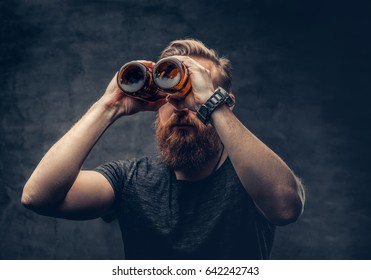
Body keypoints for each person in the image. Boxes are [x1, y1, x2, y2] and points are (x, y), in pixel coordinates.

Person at [21, 39, 305, 260]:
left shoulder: (251, 177)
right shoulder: (129, 180)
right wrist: (108, 107)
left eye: (195, 94)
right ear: (157, 103)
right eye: (172, 96)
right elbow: (38, 196)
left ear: (224, 102)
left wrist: (210, 103)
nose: (181, 106)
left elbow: (286, 207)